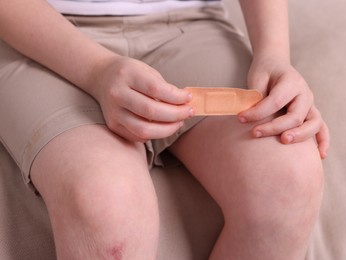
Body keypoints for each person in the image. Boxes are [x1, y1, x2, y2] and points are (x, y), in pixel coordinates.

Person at [0, 0, 329, 259]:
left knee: (290, 179)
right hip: (38, 35)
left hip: (191, 25)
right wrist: (97, 71)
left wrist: (274, 55)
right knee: (107, 204)